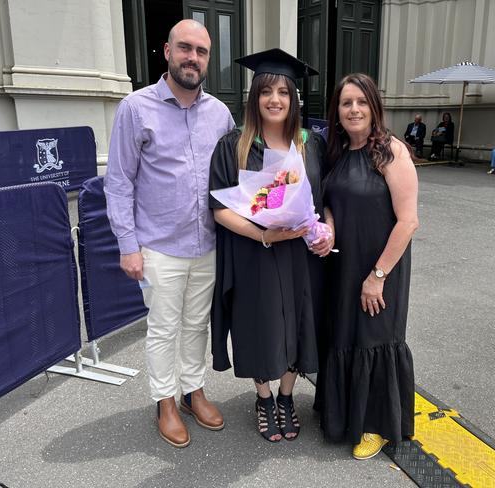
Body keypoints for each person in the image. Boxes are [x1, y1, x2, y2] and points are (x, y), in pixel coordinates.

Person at [104, 19, 235, 448]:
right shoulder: (136, 108)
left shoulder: (220, 113)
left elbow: (235, 178)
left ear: (208, 59)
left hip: (208, 243)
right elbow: (120, 181)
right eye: (185, 48)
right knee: (163, 327)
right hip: (158, 246)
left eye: (201, 51)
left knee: (197, 323)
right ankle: (164, 400)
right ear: (166, 51)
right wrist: (128, 246)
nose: (192, 58)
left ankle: (192, 390)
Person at [208, 48, 331, 443]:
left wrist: (326, 230)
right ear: (254, 98)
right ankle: (263, 398)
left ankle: (286, 396)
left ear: (294, 98)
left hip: (300, 255)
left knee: (298, 324)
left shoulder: (312, 145)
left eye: (283, 91)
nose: (275, 99)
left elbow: (325, 199)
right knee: (259, 324)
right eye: (266, 91)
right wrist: (263, 233)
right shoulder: (234, 145)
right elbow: (219, 208)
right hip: (255, 252)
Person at [320, 73, 418, 460]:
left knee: (375, 338)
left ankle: (376, 423)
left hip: (380, 268)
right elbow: (330, 199)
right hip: (343, 266)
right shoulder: (338, 150)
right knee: (346, 334)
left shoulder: (391, 151)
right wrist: (328, 221)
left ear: (374, 107)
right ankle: (345, 415)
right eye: (346, 103)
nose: (354, 109)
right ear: (338, 112)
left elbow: (408, 221)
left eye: (362, 102)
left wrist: (377, 277)